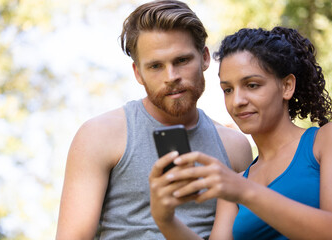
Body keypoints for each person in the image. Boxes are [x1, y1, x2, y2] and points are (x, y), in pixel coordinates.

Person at [55, 1, 252, 239]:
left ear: (205, 58)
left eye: (181, 61)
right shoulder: (99, 135)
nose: (171, 77)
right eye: (156, 66)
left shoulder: (235, 147)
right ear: (138, 73)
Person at [149, 26, 332, 240]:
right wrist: (165, 220)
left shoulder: (329, 138)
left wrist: (245, 192)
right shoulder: (236, 183)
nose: (237, 101)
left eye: (252, 85)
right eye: (228, 90)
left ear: (287, 86)